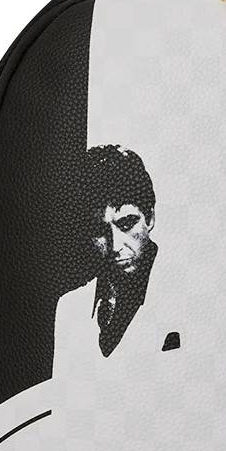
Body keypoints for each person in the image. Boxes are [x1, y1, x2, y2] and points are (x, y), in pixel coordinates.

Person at [70, 144, 158, 357]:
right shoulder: (69, 308)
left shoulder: (190, 296)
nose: (115, 246)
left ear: (150, 218)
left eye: (127, 224)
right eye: (99, 230)